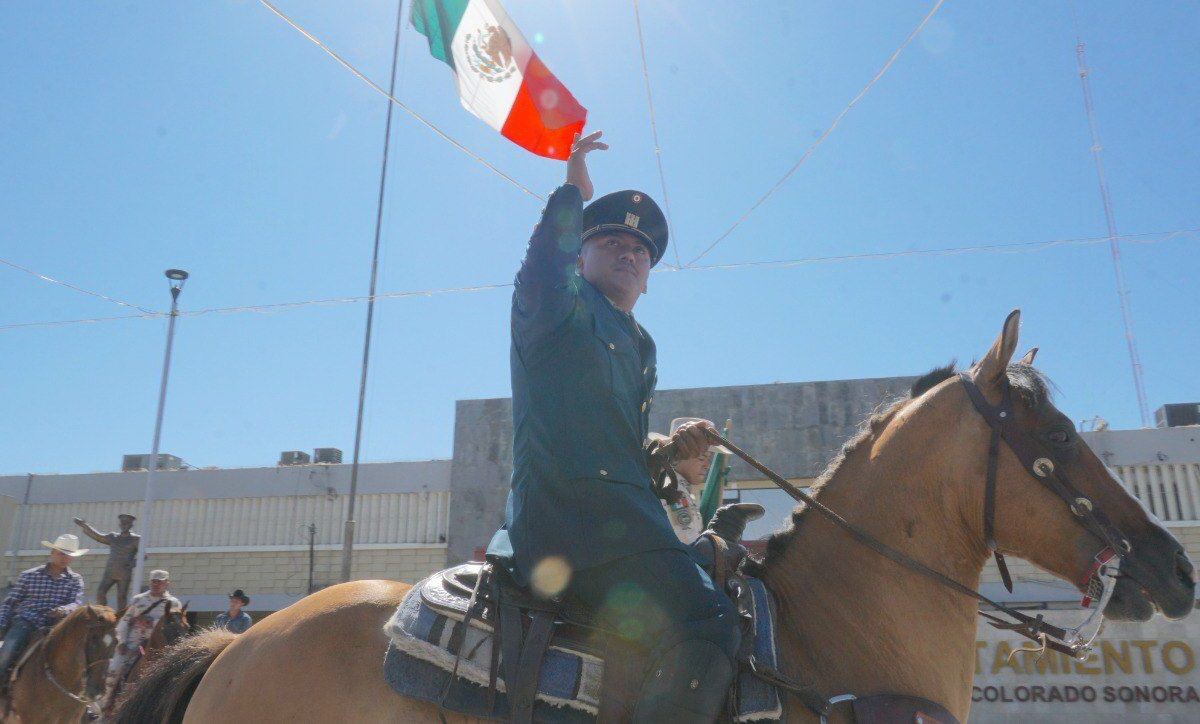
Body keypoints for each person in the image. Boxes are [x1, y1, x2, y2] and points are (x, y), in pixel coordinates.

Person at [485, 131, 740, 721]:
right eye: (612, 242)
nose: (629, 253)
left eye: (641, 250)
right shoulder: (556, 308)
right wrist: (572, 194)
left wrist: (671, 454)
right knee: (708, 618)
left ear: (649, 274)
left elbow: (614, 449)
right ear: (580, 255)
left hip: (622, 525)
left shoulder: (640, 344)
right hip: (567, 525)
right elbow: (542, 266)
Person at [0, 534, 86, 689]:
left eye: (69, 555)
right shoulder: (29, 575)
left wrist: (63, 610)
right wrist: (2, 623)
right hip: (26, 622)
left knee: (85, 655)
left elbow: (76, 603)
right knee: (7, 651)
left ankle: (85, 697)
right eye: (61, 553)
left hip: (57, 626)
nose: (65, 558)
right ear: (52, 552)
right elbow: (11, 602)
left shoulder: (75, 579)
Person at [101, 569, 181, 712]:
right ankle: (105, 705)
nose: (156, 585)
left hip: (158, 646)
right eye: (153, 581)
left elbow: (174, 625)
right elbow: (125, 622)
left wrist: (152, 623)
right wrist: (121, 642)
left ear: (167, 583)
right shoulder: (138, 600)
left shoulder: (174, 603)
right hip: (133, 643)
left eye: (160, 582)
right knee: (113, 669)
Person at [651, 417, 733, 544]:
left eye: (709, 459)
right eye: (702, 458)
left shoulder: (681, 489)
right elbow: (690, 544)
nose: (707, 465)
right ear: (678, 455)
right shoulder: (673, 491)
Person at [73, 512, 140, 610]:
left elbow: (144, 556)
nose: (124, 525)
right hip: (110, 571)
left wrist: (133, 563)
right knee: (100, 592)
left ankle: (120, 620)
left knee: (121, 597)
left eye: (127, 523)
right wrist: (85, 525)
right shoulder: (113, 537)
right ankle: (103, 614)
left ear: (131, 525)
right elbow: (98, 536)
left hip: (124, 573)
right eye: (122, 523)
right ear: (119, 524)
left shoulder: (136, 539)